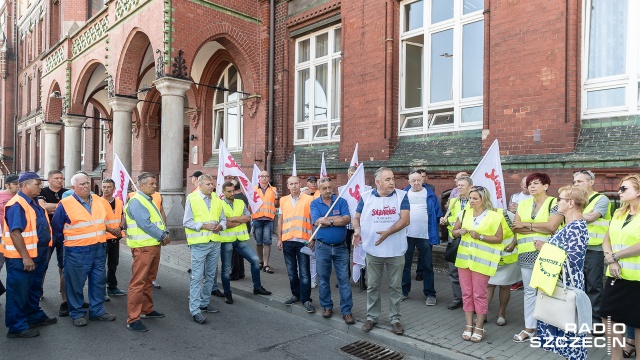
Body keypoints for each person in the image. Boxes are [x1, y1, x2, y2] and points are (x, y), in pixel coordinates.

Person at [51, 173, 119, 327]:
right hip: (77, 251)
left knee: (98, 281)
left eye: (87, 183)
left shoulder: (98, 201)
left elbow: (102, 222)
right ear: (73, 187)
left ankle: (97, 311)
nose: (86, 186)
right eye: (82, 184)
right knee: (75, 283)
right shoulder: (65, 203)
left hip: (99, 249)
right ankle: (76, 312)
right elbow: (57, 229)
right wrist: (72, 243)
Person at [534, 185, 589, 360]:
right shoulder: (570, 225)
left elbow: (573, 261)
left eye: (561, 199)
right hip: (559, 282)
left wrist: (546, 248)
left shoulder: (577, 227)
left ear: (571, 203)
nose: (557, 202)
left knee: (570, 330)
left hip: (569, 285)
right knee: (562, 328)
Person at [354, 167, 410, 335]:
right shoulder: (366, 197)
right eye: (387, 179)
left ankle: (395, 319)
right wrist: (356, 230)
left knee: (395, 287)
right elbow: (356, 217)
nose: (392, 182)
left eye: (392, 178)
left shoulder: (402, 196)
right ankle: (372, 317)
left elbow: (405, 220)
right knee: (372, 286)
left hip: (396, 250)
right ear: (377, 182)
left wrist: (387, 233)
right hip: (373, 250)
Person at [508, 173, 564, 342]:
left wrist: (526, 224)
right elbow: (515, 228)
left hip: (547, 253)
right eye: (529, 184)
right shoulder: (523, 204)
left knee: (549, 291)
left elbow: (552, 226)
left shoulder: (555, 203)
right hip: (526, 254)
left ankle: (550, 328)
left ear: (546, 186)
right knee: (530, 292)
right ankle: (529, 328)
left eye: (536, 183)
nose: (531, 186)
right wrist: (539, 228)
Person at [3, 172, 57, 338]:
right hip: (22, 258)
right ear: (25, 185)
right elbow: (16, 233)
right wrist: (26, 257)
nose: (41, 187)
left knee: (34, 288)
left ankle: (33, 316)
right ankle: (16, 327)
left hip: (38, 253)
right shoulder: (17, 204)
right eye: (37, 184)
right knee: (18, 291)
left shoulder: (33, 203)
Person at [452, 186, 504, 343]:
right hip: (464, 261)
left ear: (484, 200)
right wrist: (459, 231)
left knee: (479, 295)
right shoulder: (464, 212)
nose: (471, 201)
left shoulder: (494, 216)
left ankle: (479, 326)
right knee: (466, 294)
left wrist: (480, 236)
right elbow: (453, 232)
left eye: (475, 198)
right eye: (470, 198)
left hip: (482, 262)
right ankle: (468, 325)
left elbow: (499, 238)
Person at [124, 172, 171, 332]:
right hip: (143, 248)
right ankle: (133, 318)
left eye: (155, 183)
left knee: (148, 280)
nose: (155, 186)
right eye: (151, 183)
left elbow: (156, 221)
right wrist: (163, 235)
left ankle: (146, 309)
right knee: (138, 283)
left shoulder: (148, 199)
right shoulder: (137, 201)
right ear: (141, 185)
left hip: (151, 246)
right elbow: (145, 224)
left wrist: (165, 234)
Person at [600, 174, 640, 358]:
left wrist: (615, 256)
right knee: (608, 317)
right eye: (619, 188)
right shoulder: (618, 212)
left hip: (637, 279)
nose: (619, 192)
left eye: (624, 189)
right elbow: (606, 239)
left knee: (638, 323)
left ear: (638, 191)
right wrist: (612, 259)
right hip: (616, 276)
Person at [219, 181, 272, 303]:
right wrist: (239, 220)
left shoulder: (240, 202)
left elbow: (248, 217)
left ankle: (257, 287)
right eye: (229, 191)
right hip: (226, 241)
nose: (232, 193)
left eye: (233, 190)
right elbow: (223, 223)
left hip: (240, 240)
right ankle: (227, 293)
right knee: (226, 269)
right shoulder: (219, 204)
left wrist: (232, 219)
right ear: (223, 192)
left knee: (255, 260)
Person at [310, 177, 353, 324]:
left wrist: (330, 220)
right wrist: (337, 219)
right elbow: (317, 222)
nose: (328, 190)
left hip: (341, 247)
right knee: (323, 280)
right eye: (324, 188)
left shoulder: (341, 201)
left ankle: (346, 311)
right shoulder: (315, 203)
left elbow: (347, 219)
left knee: (344, 280)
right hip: (322, 247)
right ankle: (327, 306)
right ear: (319, 190)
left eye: (330, 187)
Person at [183, 174, 225, 324]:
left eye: (212, 184)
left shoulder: (217, 199)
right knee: (197, 277)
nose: (211, 186)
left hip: (215, 242)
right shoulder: (192, 199)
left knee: (211, 275)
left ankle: (204, 303)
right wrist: (204, 226)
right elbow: (186, 221)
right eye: (208, 184)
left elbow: (223, 219)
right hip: (199, 243)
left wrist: (221, 226)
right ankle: (195, 310)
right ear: (199, 185)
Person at [572, 170, 610, 325]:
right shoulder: (574, 199)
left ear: (591, 182)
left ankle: (596, 322)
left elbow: (592, 217)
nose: (576, 184)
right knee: (578, 285)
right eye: (574, 182)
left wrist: (571, 214)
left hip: (595, 249)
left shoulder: (601, 199)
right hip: (576, 248)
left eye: (579, 181)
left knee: (594, 286)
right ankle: (581, 319)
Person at [401, 170, 442, 306]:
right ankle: (403, 291)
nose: (416, 183)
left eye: (419, 180)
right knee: (405, 265)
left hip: (425, 235)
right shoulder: (403, 194)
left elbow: (437, 214)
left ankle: (430, 294)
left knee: (427, 266)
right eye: (413, 180)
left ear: (423, 180)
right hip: (407, 235)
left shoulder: (430, 195)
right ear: (409, 181)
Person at [277, 176, 315, 313]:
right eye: (291, 184)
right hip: (287, 241)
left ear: (300, 184)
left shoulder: (309, 200)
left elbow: (313, 220)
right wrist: (280, 239)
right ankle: (296, 295)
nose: (294, 186)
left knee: (304, 272)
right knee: (291, 272)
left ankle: (306, 299)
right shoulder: (283, 200)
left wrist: (313, 238)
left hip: (303, 241)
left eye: (296, 183)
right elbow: (280, 221)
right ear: (288, 186)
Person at [37, 170, 69, 316]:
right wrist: (62, 207)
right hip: (48, 233)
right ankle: (39, 290)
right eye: (56, 178)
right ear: (49, 179)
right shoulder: (42, 191)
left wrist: (53, 208)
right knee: (43, 263)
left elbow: (72, 210)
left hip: (64, 233)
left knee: (63, 264)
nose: (59, 180)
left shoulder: (67, 192)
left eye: (61, 178)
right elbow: (42, 206)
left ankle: (64, 295)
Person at [440, 176, 473, 310]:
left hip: (469, 239)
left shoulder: (475, 201)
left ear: (470, 187)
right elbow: (450, 219)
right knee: (453, 270)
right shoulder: (453, 201)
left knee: (469, 271)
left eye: (462, 185)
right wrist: (444, 221)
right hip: (453, 239)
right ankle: (457, 298)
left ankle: (469, 300)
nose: (459, 187)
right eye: (458, 185)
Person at [486, 208, 520, 326]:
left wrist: (513, 243)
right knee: (489, 284)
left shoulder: (506, 214)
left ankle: (502, 313)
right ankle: (483, 313)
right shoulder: (480, 214)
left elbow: (518, 230)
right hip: (490, 255)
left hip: (507, 256)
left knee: (504, 286)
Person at [101, 179, 127, 297]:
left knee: (113, 264)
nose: (106, 189)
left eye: (108, 187)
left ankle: (112, 287)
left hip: (115, 238)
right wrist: (111, 230)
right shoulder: (97, 202)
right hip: (103, 238)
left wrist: (120, 228)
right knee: (100, 266)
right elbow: (98, 221)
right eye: (104, 187)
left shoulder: (119, 202)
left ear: (114, 189)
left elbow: (122, 217)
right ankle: (101, 291)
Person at [252, 170, 279, 274]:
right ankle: (260, 261)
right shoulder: (254, 189)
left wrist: (277, 198)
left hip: (268, 219)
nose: (264, 178)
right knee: (259, 242)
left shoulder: (273, 189)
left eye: (266, 176)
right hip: (257, 218)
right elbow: (251, 205)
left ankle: (266, 264)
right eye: (262, 176)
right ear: (259, 178)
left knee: (267, 242)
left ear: (269, 178)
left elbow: (276, 205)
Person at [507, 176, 530, 291]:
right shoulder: (515, 196)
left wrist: (519, 208)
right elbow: (510, 210)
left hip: (528, 230)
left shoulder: (535, 197)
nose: (526, 187)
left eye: (528, 184)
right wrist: (512, 209)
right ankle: (517, 280)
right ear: (520, 185)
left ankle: (523, 281)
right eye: (524, 185)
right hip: (515, 228)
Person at [0, 174, 19, 277]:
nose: (18, 186)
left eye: (19, 184)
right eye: (15, 184)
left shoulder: (22, 197)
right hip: (1, 236)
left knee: (13, 266)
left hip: (16, 236)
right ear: (7, 185)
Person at [230, 179, 248, 281]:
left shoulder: (237, 199)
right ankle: (241, 272)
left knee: (235, 254)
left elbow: (245, 216)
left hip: (236, 230)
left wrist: (232, 220)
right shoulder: (243, 196)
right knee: (239, 253)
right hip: (242, 230)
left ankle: (235, 273)